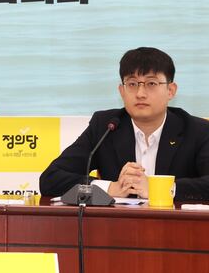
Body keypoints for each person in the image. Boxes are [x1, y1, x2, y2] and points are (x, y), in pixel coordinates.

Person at [40, 47, 209, 200]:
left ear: (170, 91)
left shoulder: (197, 131)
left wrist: (159, 189)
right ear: (122, 91)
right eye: (132, 84)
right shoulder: (106, 126)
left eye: (151, 83)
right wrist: (110, 188)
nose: (140, 93)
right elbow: (50, 179)